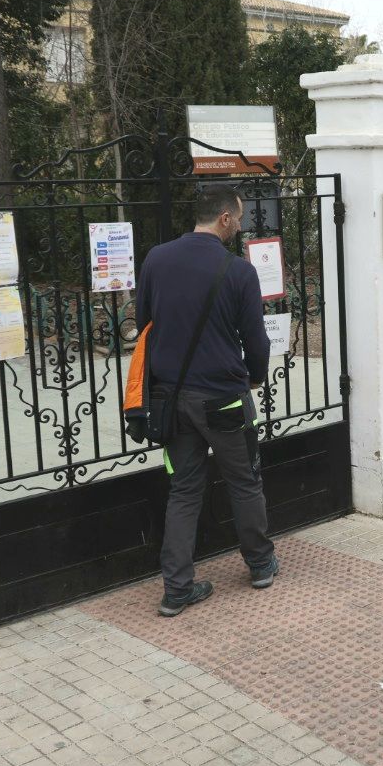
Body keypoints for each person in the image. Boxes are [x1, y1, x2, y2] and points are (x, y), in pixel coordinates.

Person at [136, 185, 277, 617]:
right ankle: (260, 564)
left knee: (184, 490)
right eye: (238, 216)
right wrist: (254, 375)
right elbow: (255, 338)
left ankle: (177, 588)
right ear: (224, 219)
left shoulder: (156, 260)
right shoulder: (238, 271)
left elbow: (145, 324)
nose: (239, 224)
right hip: (224, 400)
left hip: (170, 400)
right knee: (244, 480)